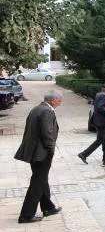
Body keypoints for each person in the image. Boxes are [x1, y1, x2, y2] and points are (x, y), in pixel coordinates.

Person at [14, 90, 63, 223]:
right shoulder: (46, 111)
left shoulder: (37, 108)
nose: (60, 102)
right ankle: (26, 215)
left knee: (42, 179)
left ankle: (48, 207)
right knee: (37, 182)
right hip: (41, 153)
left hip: (35, 152)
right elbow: (47, 134)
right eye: (59, 100)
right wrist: (51, 149)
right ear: (52, 100)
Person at [78, 83, 105, 165]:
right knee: (100, 140)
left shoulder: (99, 94)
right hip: (101, 122)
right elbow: (100, 107)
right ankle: (84, 154)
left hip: (99, 121)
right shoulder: (104, 96)